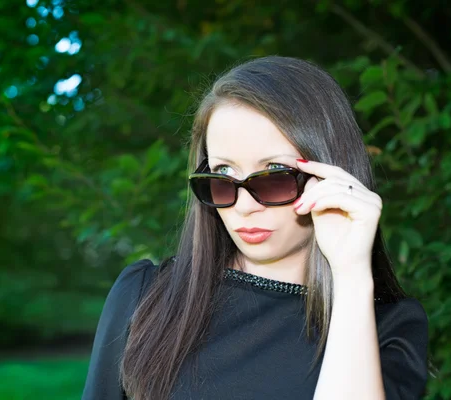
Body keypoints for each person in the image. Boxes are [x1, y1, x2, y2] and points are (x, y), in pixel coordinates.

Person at [82, 56, 429, 400]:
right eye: (222, 177)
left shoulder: (387, 326)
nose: (244, 206)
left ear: (331, 174)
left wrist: (352, 274)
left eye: (275, 175)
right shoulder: (146, 294)